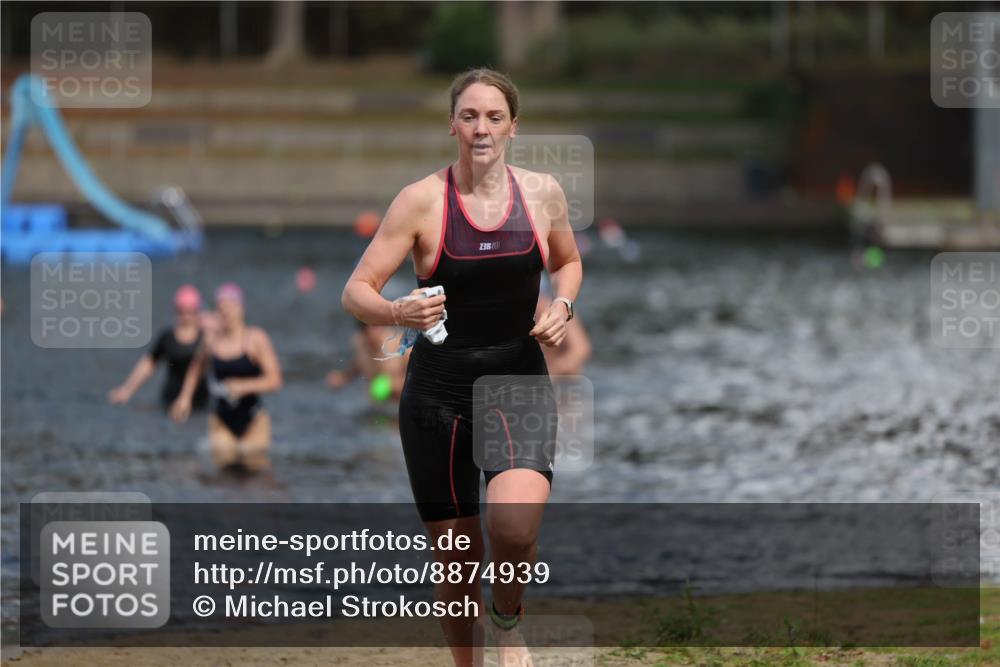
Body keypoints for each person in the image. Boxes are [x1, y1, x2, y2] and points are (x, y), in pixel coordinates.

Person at [342, 68, 583, 667]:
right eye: (470, 116)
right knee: (455, 560)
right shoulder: (422, 200)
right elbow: (356, 292)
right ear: (453, 124)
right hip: (438, 393)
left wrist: (563, 304)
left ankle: (507, 620)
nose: (482, 128)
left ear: (513, 127)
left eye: (494, 117)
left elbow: (569, 263)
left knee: (515, 527)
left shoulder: (542, 193)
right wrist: (399, 309)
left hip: (518, 377)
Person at [171, 282, 283, 474]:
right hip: (221, 419)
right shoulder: (211, 340)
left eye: (230, 307)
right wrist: (185, 398)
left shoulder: (255, 338)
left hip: (254, 419)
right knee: (224, 471)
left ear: (241, 308)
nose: (225, 313)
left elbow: (275, 381)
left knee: (255, 472)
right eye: (220, 309)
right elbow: (196, 367)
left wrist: (244, 386)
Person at [108, 285, 209, 410]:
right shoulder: (167, 338)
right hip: (169, 399)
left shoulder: (205, 338)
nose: (186, 317)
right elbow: (148, 364)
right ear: (176, 311)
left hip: (200, 403)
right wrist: (127, 390)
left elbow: (200, 367)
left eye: (190, 312)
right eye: (182, 312)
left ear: (197, 311)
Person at [326, 320, 411, 403]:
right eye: (367, 333)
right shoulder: (363, 350)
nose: (371, 336)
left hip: (406, 405)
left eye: (374, 330)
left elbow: (419, 375)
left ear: (381, 328)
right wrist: (342, 379)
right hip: (382, 408)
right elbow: (357, 366)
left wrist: (393, 385)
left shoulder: (400, 346)